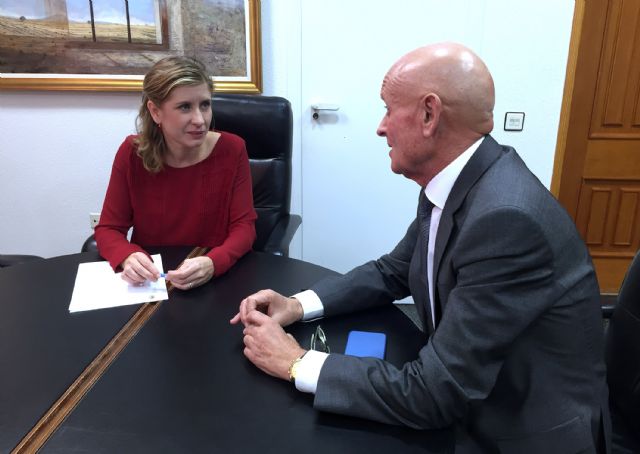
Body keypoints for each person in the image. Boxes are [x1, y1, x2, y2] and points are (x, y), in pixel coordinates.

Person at [231, 43, 610, 453]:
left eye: (388, 109)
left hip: (517, 429)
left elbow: (435, 394)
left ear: (429, 114)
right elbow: (393, 270)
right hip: (474, 390)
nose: (381, 127)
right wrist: (297, 304)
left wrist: (296, 362)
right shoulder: (459, 180)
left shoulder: (506, 219)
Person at [95, 56, 256, 290]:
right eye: (184, 107)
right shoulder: (132, 154)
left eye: (205, 105)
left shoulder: (233, 149)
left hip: (212, 278)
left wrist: (213, 262)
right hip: (152, 283)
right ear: (155, 111)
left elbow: (245, 227)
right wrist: (127, 256)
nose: (200, 120)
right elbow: (109, 228)